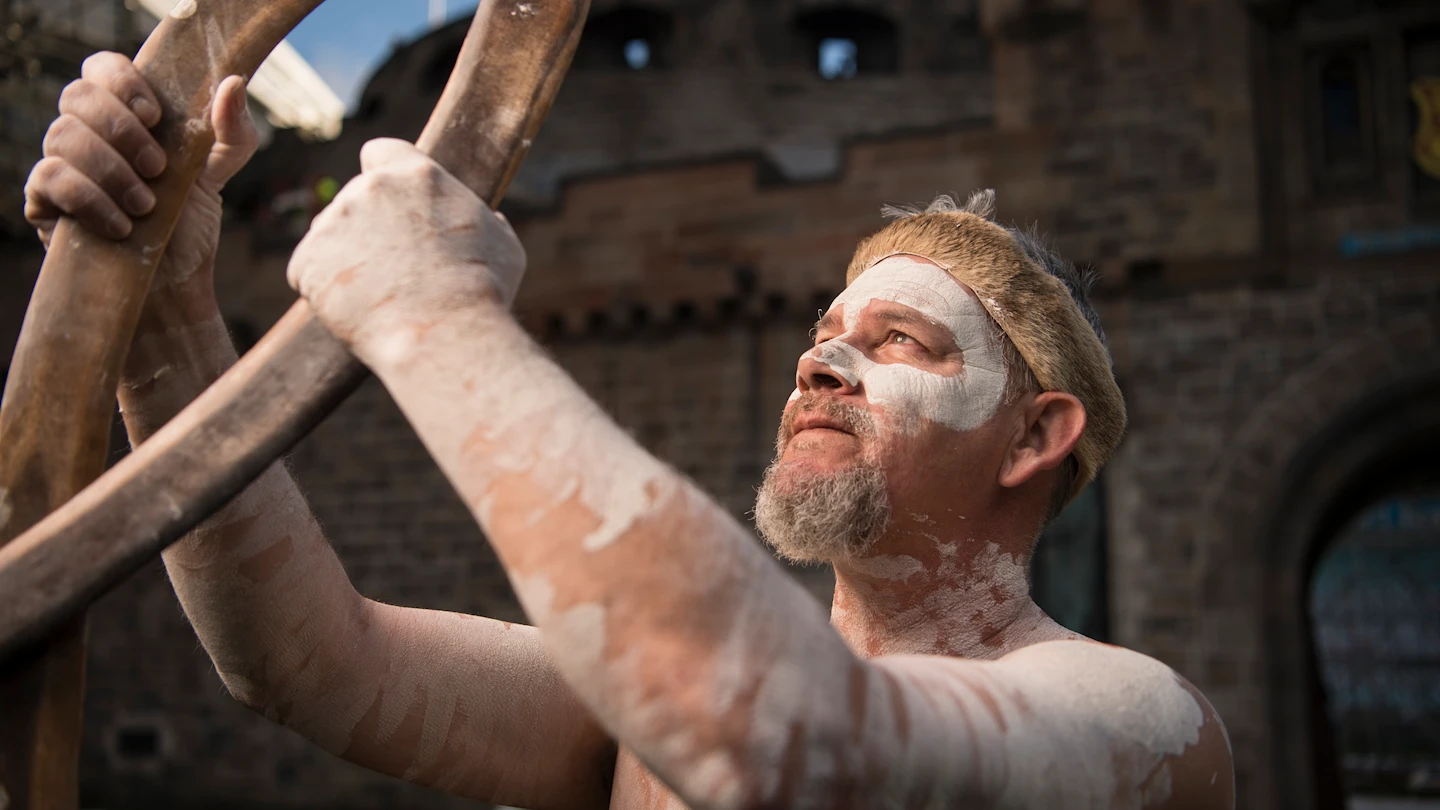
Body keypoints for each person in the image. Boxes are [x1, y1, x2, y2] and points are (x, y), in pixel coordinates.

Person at [24, 53, 1235, 810]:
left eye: (900, 342)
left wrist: (432, 314)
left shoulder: (1138, 724)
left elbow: (782, 748)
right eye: (822, 331)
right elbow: (305, 660)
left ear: (1035, 436)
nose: (821, 358)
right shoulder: (633, 712)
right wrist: (166, 304)